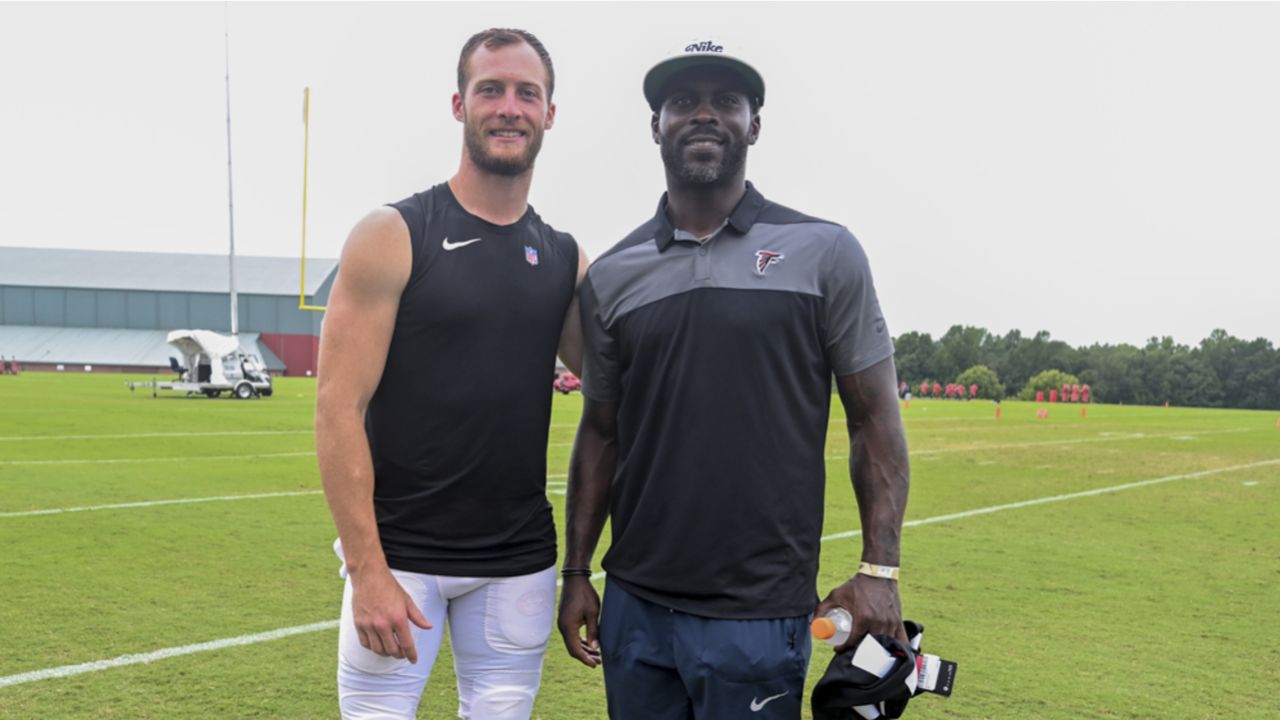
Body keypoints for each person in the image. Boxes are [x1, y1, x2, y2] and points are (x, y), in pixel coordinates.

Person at [557, 40, 911, 719]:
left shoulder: (825, 251)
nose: (703, 115)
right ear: (655, 125)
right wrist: (577, 572)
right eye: (682, 102)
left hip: (758, 613)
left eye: (726, 101)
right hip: (635, 604)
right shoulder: (612, 275)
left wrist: (880, 570)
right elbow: (600, 431)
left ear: (755, 124)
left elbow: (875, 420)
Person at [316, 28, 586, 720]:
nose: (509, 107)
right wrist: (366, 569)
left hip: (518, 562)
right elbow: (337, 409)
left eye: (528, 93)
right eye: (490, 89)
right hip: (399, 558)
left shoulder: (564, 259)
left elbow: (631, 392)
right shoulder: (394, 233)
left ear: (550, 113)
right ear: (459, 103)